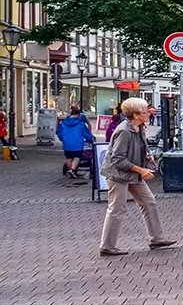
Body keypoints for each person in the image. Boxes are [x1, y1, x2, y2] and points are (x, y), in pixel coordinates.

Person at [100, 99, 174, 256]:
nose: (149, 113)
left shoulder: (139, 127)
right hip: (118, 175)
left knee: (149, 202)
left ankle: (156, 239)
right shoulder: (124, 131)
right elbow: (117, 159)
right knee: (116, 209)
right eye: (145, 111)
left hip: (132, 173)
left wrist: (147, 157)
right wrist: (141, 170)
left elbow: (139, 148)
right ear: (135, 115)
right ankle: (107, 246)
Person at [57, 105, 94, 181]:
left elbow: (58, 132)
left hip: (66, 143)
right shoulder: (80, 123)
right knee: (77, 157)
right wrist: (91, 139)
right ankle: (72, 170)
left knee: (69, 157)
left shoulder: (63, 123)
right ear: (78, 115)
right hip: (77, 143)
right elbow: (86, 134)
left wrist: (62, 139)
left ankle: (70, 171)